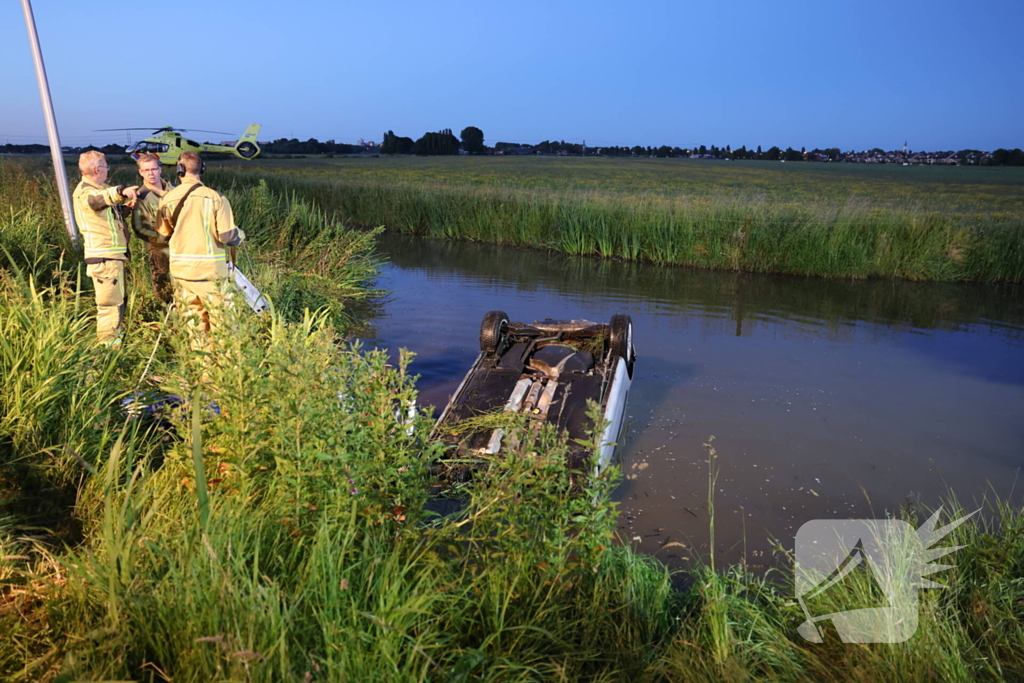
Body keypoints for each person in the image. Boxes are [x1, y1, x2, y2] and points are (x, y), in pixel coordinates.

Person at [157, 151, 246, 344]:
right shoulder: (215, 198)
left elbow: (162, 236)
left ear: (179, 170)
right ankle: (224, 371)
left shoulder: (166, 199)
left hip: (182, 273)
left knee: (194, 324)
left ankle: (203, 370)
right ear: (202, 168)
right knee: (224, 324)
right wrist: (240, 235)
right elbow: (228, 236)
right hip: (210, 273)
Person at [71, 151, 138, 344]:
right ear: (97, 169)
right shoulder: (86, 192)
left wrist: (126, 208)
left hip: (112, 258)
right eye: (106, 166)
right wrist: (120, 191)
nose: (108, 170)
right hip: (103, 259)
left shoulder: (99, 188)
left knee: (117, 304)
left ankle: (115, 344)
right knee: (110, 307)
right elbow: (98, 200)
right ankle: (108, 353)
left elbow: (108, 212)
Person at [130, 153, 174, 303]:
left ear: (160, 169)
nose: (151, 173)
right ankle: (167, 321)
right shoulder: (141, 196)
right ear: (141, 172)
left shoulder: (175, 191)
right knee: (164, 289)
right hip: (159, 250)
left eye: (154, 169)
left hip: (182, 247)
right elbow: (139, 228)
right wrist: (164, 239)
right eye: (146, 170)